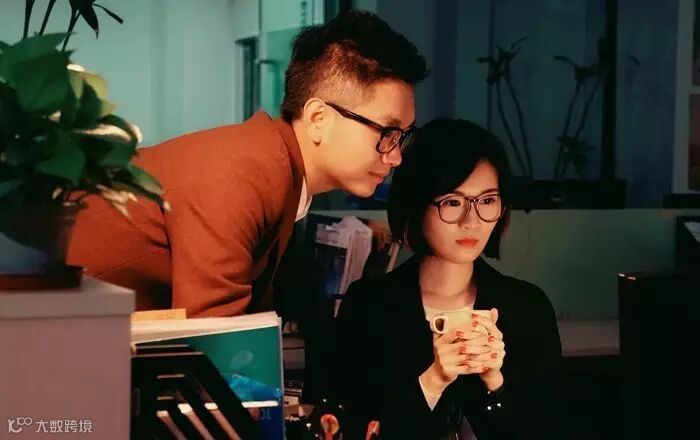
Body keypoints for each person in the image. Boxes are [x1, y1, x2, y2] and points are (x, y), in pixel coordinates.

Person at [67, 11, 428, 317]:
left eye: (403, 136)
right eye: (387, 132)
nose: (395, 156)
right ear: (319, 118)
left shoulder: (277, 169)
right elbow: (216, 337)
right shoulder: (245, 173)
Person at [332, 119, 562, 439]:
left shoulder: (527, 306)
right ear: (416, 205)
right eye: (452, 202)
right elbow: (351, 426)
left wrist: (495, 383)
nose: (471, 222)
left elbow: (548, 428)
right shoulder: (369, 305)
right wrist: (433, 380)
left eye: (487, 201)